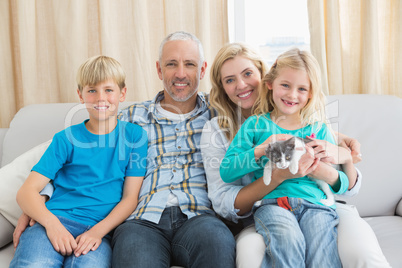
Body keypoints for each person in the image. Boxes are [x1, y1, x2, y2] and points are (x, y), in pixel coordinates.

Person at [201, 43, 389, 268]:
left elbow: (346, 186)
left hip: (317, 205)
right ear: (272, 84)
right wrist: (264, 151)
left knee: (323, 250)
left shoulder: (317, 127)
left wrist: (342, 156)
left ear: (263, 77)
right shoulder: (253, 126)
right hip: (273, 205)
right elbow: (227, 173)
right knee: (287, 242)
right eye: (229, 79)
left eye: (248, 74)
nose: (241, 84)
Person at [111, 31, 236, 267]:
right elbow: (84, 156)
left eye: (189, 64)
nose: (180, 73)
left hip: (200, 218)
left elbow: (268, 120)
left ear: (202, 70)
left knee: (217, 242)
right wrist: (41, 199)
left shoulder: (220, 112)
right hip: (142, 221)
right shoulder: (130, 117)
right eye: (171, 64)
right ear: (159, 70)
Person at [10, 55, 148, 267]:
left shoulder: (134, 137)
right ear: (80, 95)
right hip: (53, 222)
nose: (101, 98)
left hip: (99, 232)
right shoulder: (66, 138)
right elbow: (26, 192)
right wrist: (51, 224)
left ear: (123, 93)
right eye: (92, 90)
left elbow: (130, 199)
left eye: (108, 90)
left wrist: (96, 233)